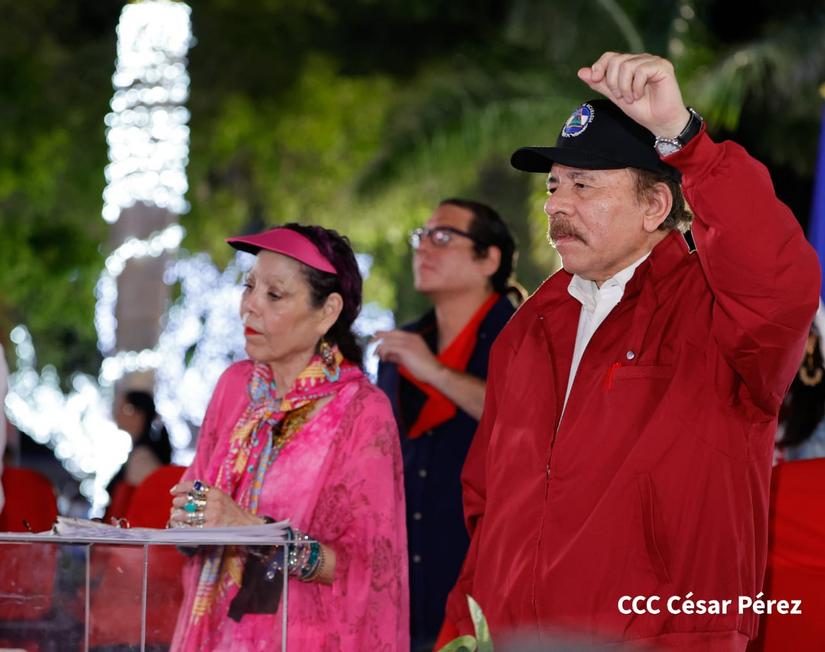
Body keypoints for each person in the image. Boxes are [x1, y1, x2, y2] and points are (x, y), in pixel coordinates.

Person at [440, 52, 820, 651]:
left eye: (583, 184)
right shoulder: (528, 328)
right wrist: (462, 634)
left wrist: (685, 139)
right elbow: (487, 508)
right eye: (554, 185)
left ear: (655, 206)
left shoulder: (715, 311)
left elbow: (779, 281)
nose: (555, 204)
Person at [168, 224, 408, 652]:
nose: (249, 306)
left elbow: (368, 570)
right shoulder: (236, 387)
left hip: (307, 639)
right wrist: (187, 520)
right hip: (219, 637)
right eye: (249, 287)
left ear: (327, 311)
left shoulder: (361, 411)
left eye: (274, 295)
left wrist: (251, 530)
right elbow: (196, 498)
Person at [374, 198, 520, 650]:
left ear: (488, 259)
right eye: (421, 237)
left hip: (491, 578)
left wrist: (434, 372)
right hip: (404, 584)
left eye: (442, 237)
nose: (423, 249)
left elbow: (528, 420)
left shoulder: (524, 335)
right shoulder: (404, 346)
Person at [105, 390, 173, 520]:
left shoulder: (142, 458)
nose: (118, 414)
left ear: (140, 415)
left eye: (126, 409)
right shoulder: (139, 455)